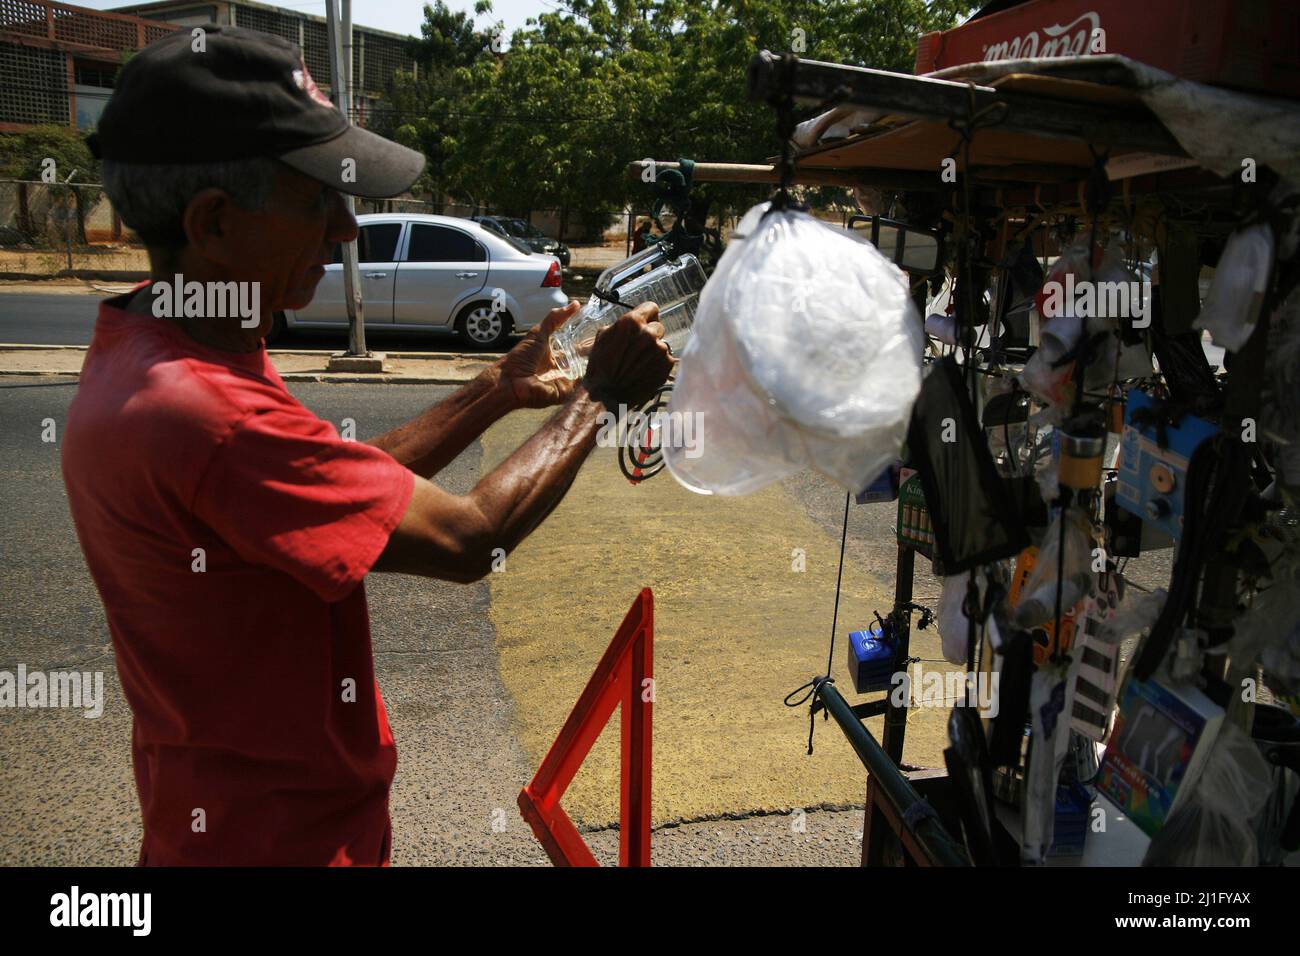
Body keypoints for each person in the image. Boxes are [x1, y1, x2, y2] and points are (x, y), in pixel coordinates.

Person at [61, 26, 672, 866]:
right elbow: (467, 539)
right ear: (214, 223)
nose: (348, 230)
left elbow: (332, 486)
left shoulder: (160, 339)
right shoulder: (207, 411)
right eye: (319, 198)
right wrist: (599, 397)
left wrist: (497, 390)